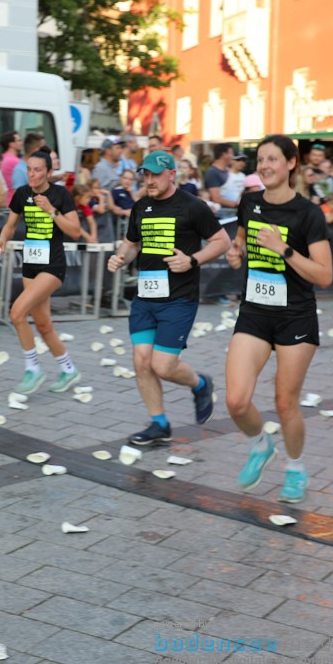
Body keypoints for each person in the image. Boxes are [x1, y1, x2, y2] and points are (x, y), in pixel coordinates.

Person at [225, 134, 333, 503]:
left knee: (285, 403)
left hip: (295, 317)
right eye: (260, 160)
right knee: (236, 401)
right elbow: (240, 236)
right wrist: (237, 251)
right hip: (254, 312)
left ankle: (295, 467)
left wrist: (284, 249)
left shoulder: (308, 214)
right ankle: (260, 446)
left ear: (291, 164)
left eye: (273, 159)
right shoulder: (249, 202)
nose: (265, 166)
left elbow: (324, 275)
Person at [107, 151, 231, 445]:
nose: (149, 180)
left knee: (162, 366)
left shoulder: (193, 207)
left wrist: (192, 261)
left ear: (172, 174)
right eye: (145, 175)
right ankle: (159, 424)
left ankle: (201, 384)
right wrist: (120, 258)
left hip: (179, 297)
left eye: (155, 175)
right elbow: (132, 243)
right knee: (141, 362)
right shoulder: (140, 207)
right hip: (145, 297)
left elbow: (222, 241)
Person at [0, 151, 83, 394]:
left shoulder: (60, 195)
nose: (32, 174)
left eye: (38, 169)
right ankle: (70, 370)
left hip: (52, 265)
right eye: (29, 169)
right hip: (31, 263)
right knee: (43, 326)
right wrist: (1, 240)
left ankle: (33, 369)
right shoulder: (22, 193)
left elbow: (75, 231)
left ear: (49, 173)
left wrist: (52, 210)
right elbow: (10, 225)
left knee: (17, 313)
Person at [0, 130, 23, 196]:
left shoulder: (5, 158)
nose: (21, 143)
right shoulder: (13, 161)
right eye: (19, 140)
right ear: (11, 144)